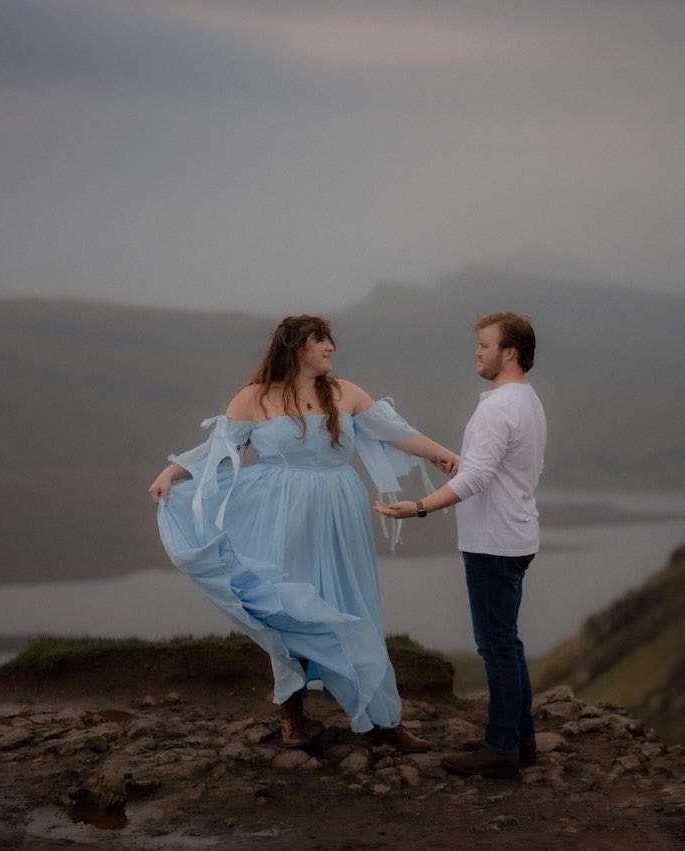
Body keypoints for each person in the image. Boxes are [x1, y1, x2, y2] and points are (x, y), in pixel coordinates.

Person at [149, 315, 458, 752]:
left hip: (339, 511)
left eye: (329, 339)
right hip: (281, 514)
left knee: (355, 603)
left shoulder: (346, 393)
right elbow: (219, 450)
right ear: (296, 348)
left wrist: (443, 456)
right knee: (289, 604)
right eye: (320, 340)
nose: (331, 347)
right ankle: (291, 710)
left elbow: (399, 433)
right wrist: (171, 472)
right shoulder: (254, 399)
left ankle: (382, 719)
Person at [374, 312, 546, 778]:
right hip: (516, 535)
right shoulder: (527, 401)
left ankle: (501, 749)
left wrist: (420, 506)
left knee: (495, 646)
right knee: (507, 643)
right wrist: (468, 467)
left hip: (493, 542)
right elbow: (492, 469)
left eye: (485, 345)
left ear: (509, 352)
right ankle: (520, 741)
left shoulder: (497, 407)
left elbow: (477, 477)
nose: (477, 351)